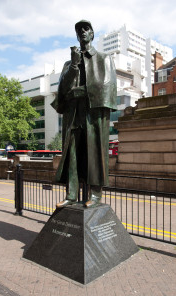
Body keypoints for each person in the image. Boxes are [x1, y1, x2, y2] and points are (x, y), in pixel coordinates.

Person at [51, 20, 117, 208]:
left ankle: (95, 195)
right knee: (72, 154)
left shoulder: (104, 58)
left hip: (92, 114)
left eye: (86, 29)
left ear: (92, 34)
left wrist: (83, 91)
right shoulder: (69, 63)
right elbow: (62, 89)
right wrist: (73, 65)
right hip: (73, 114)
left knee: (94, 153)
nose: (82, 32)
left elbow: (108, 86)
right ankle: (71, 195)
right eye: (79, 30)